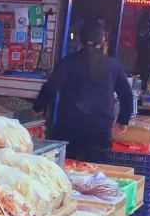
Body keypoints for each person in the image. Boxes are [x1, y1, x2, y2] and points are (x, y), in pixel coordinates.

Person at [33, 20, 134, 162]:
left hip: (69, 125)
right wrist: (123, 120)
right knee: (97, 170)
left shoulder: (68, 62)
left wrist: (38, 107)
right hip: (99, 127)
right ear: (103, 40)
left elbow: (51, 86)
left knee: (64, 166)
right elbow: (126, 95)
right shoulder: (112, 65)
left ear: (80, 40)